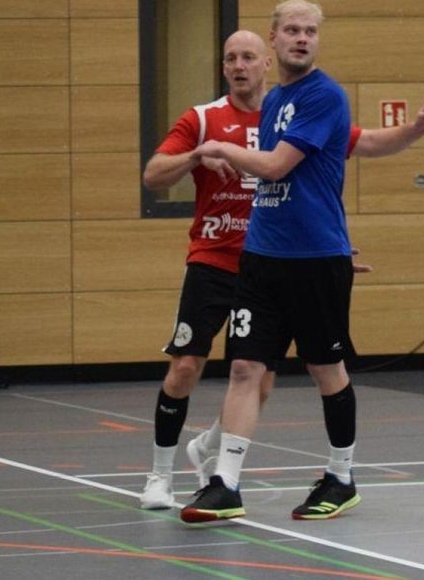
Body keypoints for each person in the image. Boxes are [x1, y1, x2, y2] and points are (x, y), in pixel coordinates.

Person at [179, 0, 424, 523]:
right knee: (244, 368)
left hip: (314, 260)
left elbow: (277, 167)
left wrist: (221, 150)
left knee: (326, 368)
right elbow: (361, 142)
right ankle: (225, 485)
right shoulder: (278, 99)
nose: (301, 38)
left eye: (310, 31)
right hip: (261, 256)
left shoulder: (324, 94)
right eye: (292, 31)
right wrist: (413, 130)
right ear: (274, 39)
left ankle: (341, 476)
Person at [138, 30, 278, 510]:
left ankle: (209, 447)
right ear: (224, 68)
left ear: (267, 64)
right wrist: (196, 155)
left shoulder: (287, 120)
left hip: (266, 265)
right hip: (211, 261)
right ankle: (159, 475)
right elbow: (153, 174)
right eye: (230, 59)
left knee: (259, 379)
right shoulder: (203, 118)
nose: (239, 65)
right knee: (184, 366)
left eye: (248, 58)